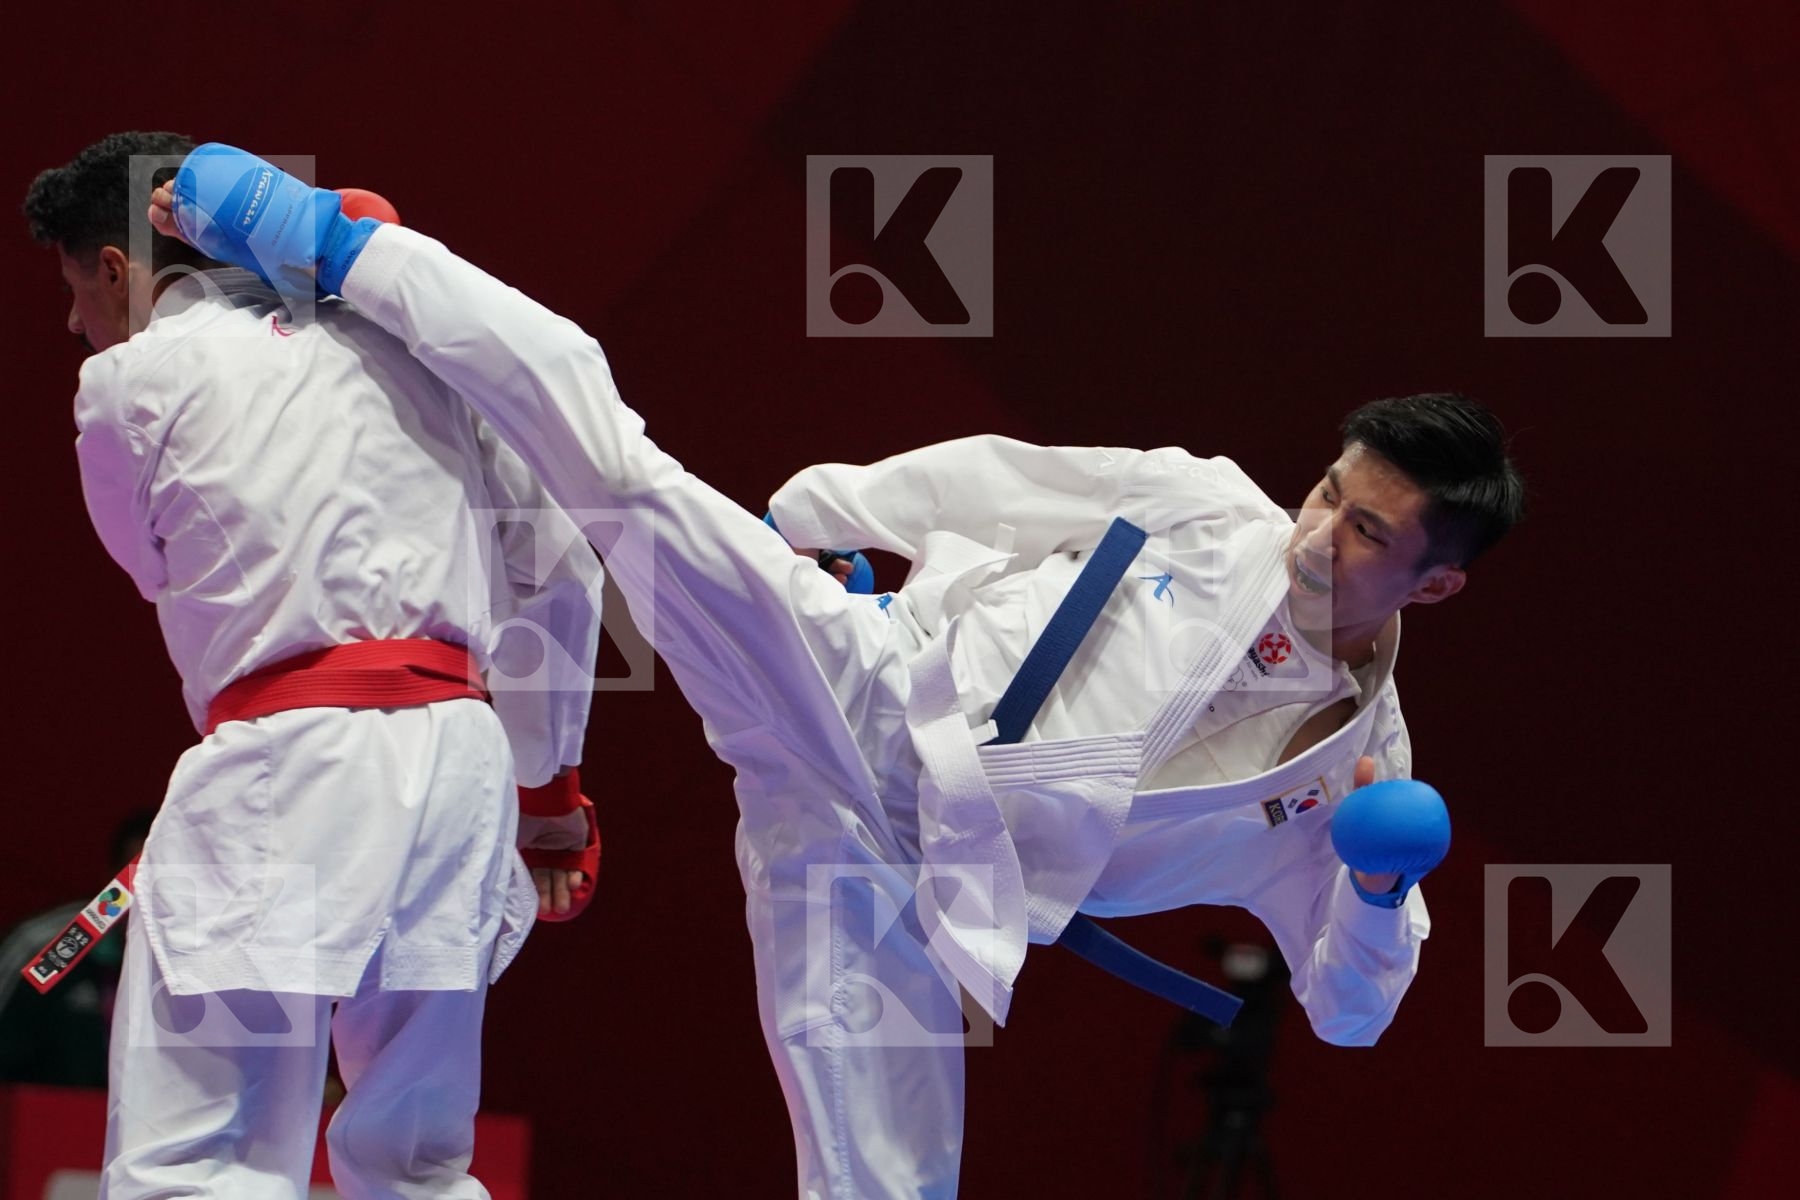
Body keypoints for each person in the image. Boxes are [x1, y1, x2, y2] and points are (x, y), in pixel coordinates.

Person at [155, 146, 1525, 1199]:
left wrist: (1377, 889)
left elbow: (1350, 1013)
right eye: (1327, 492)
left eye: (1366, 533)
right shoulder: (1209, 507)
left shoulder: (1360, 780)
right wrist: (808, 518)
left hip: (916, 892)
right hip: (868, 683)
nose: (1315, 533)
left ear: (1438, 583)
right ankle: (343, 246)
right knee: (626, 478)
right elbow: (996, 483)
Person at [25, 132, 605, 1199]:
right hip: (461, 767)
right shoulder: (421, 339)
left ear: (116, 267)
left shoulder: (125, 383)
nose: (74, 324)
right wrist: (550, 793)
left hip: (286, 764)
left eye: (75, 291)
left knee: (198, 1158)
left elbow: (149, 564)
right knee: (420, 1162)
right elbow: (564, 569)